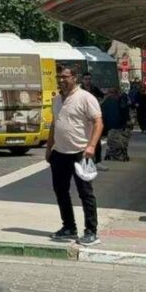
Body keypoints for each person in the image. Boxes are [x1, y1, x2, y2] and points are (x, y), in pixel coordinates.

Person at [46, 65, 103, 246]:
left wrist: (92, 146)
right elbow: (55, 125)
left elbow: (98, 122)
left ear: (74, 78)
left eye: (65, 77)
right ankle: (69, 227)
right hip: (60, 153)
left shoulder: (85, 98)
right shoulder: (56, 100)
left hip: (81, 153)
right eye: (59, 77)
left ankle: (91, 231)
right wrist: (49, 149)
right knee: (61, 191)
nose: (61, 80)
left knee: (85, 193)